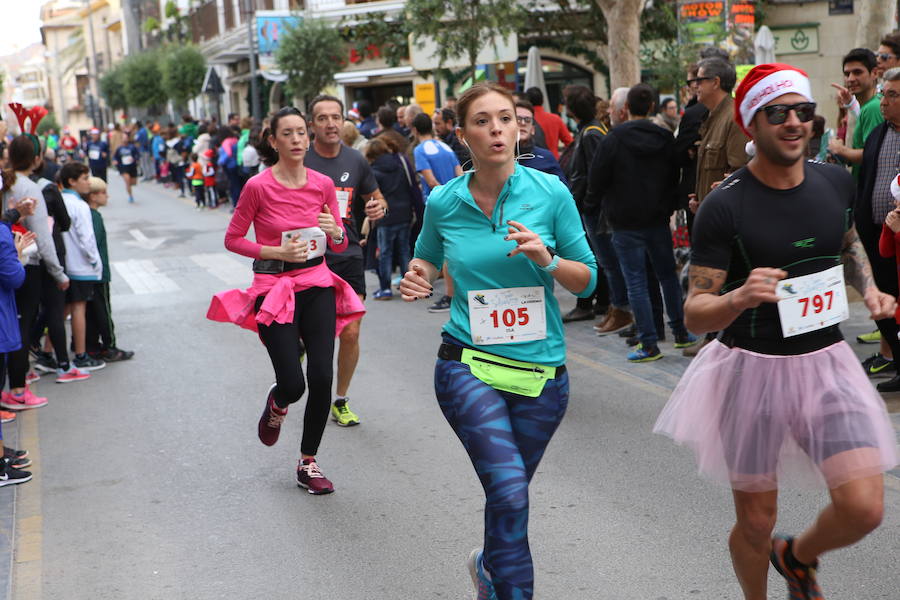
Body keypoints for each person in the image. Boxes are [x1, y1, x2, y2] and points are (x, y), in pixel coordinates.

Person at [654, 63, 898, 600]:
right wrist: (738, 297)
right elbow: (695, 311)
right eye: (778, 112)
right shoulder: (725, 205)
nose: (794, 122)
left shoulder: (834, 179)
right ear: (751, 124)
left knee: (864, 506)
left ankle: (798, 557)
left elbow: (848, 239)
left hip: (827, 364)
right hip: (751, 371)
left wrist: (870, 287)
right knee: (757, 520)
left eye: (803, 111)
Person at [400, 82, 597, 600]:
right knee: (510, 491)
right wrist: (416, 276)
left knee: (508, 497)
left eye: (506, 119)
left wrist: (546, 260)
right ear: (462, 134)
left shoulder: (550, 193)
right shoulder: (444, 201)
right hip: (468, 363)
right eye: (483, 121)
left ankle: (491, 569)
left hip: (542, 375)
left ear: (518, 127)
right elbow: (424, 256)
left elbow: (588, 279)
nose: (497, 130)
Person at [207, 107, 365, 494]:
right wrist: (276, 252)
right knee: (293, 384)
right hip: (274, 289)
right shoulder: (258, 186)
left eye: (301, 133)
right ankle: (277, 404)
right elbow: (233, 238)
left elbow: (341, 240)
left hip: (316, 283)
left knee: (322, 378)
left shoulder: (323, 184)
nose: (296, 140)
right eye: (287, 134)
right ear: (273, 140)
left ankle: (308, 463)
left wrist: (336, 231)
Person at [587, 83, 697, 361]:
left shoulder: (614, 138)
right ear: (651, 108)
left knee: (635, 281)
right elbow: (675, 173)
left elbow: (597, 178)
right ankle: (681, 332)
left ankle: (649, 344)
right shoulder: (664, 137)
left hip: (624, 222)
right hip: (657, 219)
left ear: (625, 110)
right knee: (667, 277)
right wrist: (669, 204)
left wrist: (592, 205)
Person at [304, 94, 388, 427]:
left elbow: (377, 198)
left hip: (349, 254)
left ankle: (340, 400)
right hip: (309, 256)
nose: (329, 123)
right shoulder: (301, 160)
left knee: (350, 332)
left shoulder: (356, 160)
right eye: (322, 118)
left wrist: (377, 208)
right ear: (312, 125)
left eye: (335, 117)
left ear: (343, 121)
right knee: (316, 335)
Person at [0, 132, 68, 409]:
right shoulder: (28, 187)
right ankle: (17, 389)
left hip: (9, 260)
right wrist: (59, 273)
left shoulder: (8, 183)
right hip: (23, 263)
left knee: (13, 325)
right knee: (21, 327)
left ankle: (15, 384)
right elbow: (42, 235)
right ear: (37, 158)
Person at [855, 66, 900, 391]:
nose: (885, 101)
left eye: (893, 95)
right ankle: (899, 364)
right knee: (884, 305)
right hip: (877, 236)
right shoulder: (877, 135)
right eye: (885, 94)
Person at [562, 84, 608, 323]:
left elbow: (593, 174)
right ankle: (599, 302)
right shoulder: (590, 130)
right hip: (587, 204)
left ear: (573, 110)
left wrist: (588, 204)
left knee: (590, 256)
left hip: (589, 207)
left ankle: (591, 303)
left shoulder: (591, 133)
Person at [411, 113, 463, 313]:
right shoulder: (445, 146)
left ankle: (450, 296)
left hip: (438, 203)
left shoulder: (419, 150)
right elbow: (460, 174)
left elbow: (431, 181)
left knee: (445, 250)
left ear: (415, 130)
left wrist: (445, 200)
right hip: (457, 199)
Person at [59, 162, 105, 372]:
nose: (88, 183)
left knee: (63, 310)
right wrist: (96, 262)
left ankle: (50, 352)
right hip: (81, 265)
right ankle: (80, 354)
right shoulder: (80, 206)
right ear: (72, 181)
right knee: (78, 309)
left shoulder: (61, 201)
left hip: (65, 264)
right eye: (85, 179)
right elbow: (87, 239)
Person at [83, 177, 133, 362]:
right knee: (103, 310)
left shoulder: (88, 213)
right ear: (93, 196)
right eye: (103, 193)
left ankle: (92, 346)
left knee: (93, 311)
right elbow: (93, 244)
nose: (107, 196)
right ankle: (109, 345)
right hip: (98, 273)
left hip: (90, 273)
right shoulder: (93, 216)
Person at [364, 136, 415, 300]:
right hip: (405, 213)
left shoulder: (373, 172)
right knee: (404, 251)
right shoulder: (399, 164)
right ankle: (409, 287)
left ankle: (385, 288)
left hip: (386, 216)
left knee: (385, 252)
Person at [828, 48, 882, 175]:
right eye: (847, 74)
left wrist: (840, 150)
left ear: (874, 73)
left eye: (857, 72)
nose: (850, 79)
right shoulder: (869, 106)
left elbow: (875, 153)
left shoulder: (872, 108)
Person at [514, 99, 567, 183]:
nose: (523, 123)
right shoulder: (498, 156)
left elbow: (563, 192)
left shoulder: (545, 157)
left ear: (533, 129)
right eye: (518, 119)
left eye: (527, 120)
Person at [524, 86, 573, 159]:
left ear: (526, 101)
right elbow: (570, 143)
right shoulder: (555, 119)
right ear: (543, 101)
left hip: (531, 162)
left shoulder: (524, 121)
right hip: (554, 162)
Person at [113, 132, 140, 203]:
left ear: (128, 139)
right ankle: (130, 196)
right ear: (121, 139)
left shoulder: (132, 147)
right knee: (127, 181)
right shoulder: (119, 148)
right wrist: (115, 161)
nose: (125, 139)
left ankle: (129, 186)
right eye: (123, 138)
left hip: (132, 167)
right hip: (123, 167)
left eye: (126, 138)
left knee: (133, 183)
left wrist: (135, 159)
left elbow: (137, 155)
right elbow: (115, 157)